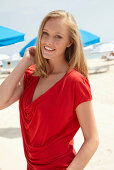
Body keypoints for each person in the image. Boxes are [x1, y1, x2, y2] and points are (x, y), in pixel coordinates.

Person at [0, 10, 99, 170]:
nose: (48, 41)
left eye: (58, 36)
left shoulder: (75, 82)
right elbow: (1, 101)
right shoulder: (31, 75)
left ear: (69, 42)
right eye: (45, 34)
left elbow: (92, 139)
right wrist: (24, 62)